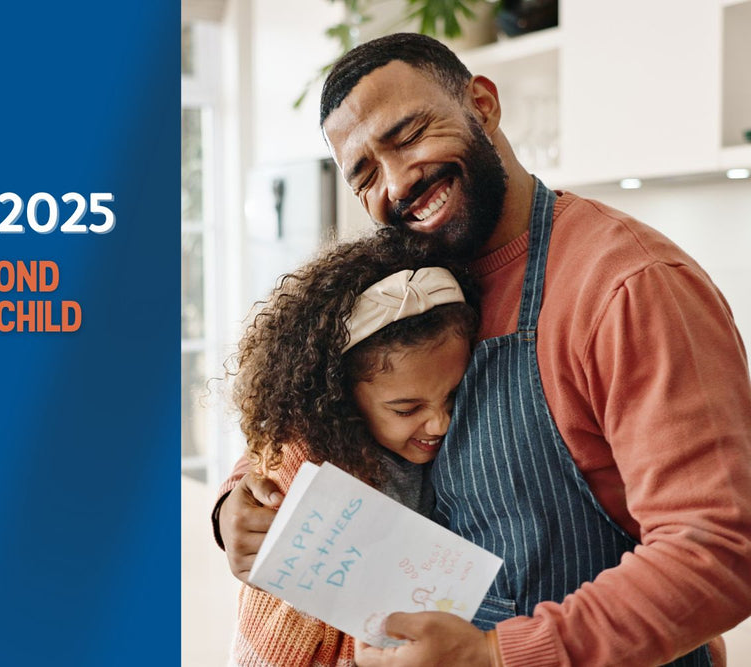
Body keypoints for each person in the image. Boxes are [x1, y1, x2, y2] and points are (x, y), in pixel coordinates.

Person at [213, 33, 751, 666]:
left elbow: (720, 551)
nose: (397, 182)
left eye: (410, 134)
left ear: (483, 104)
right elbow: (301, 418)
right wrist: (237, 506)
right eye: (364, 173)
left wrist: (495, 655)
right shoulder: (403, 278)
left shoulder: (628, 286)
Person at [226, 233, 477, 665]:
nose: (440, 423)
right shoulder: (307, 464)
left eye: (453, 396)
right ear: (342, 397)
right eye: (406, 408)